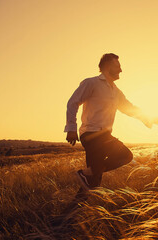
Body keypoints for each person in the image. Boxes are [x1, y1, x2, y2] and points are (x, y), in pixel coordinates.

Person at [64, 53, 151, 193]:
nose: (121, 70)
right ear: (108, 66)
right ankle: (87, 177)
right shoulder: (91, 83)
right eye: (118, 66)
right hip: (91, 134)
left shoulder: (116, 92)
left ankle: (79, 199)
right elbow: (72, 103)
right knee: (125, 155)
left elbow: (129, 108)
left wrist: (146, 118)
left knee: (93, 181)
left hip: (104, 136)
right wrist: (71, 128)